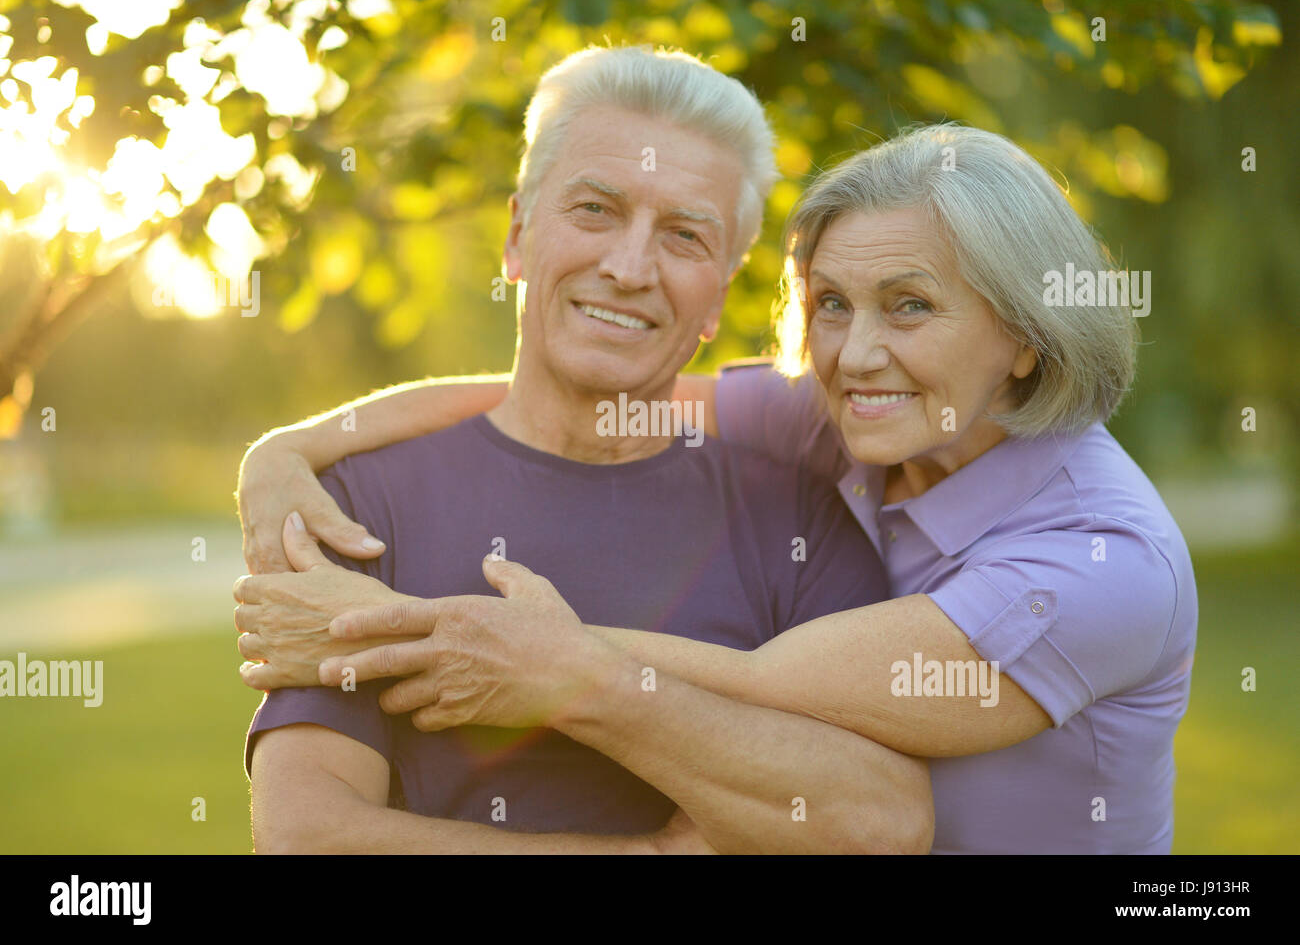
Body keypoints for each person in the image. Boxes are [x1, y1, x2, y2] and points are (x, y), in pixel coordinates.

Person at [240, 121, 1198, 854]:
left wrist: (403, 633)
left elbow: (762, 680)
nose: (857, 353)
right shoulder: (848, 411)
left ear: (1026, 335)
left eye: (911, 305)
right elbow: (569, 396)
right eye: (831, 304)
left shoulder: (1101, 563)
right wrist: (288, 447)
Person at [236, 44, 933, 855]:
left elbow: (884, 824)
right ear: (517, 238)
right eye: (595, 210)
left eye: (683, 235)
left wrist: (580, 683)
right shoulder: (352, 503)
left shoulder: (802, 513)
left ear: (718, 293)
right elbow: (308, 838)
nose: (629, 267)